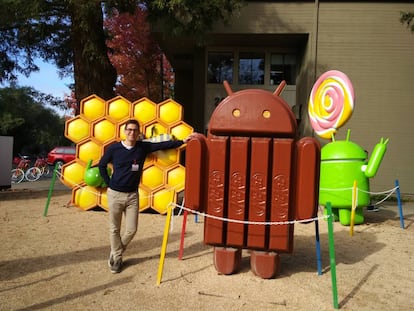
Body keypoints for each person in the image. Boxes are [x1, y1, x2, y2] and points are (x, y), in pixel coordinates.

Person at [98, 119, 195, 273]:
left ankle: (116, 251)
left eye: (135, 130)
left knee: (131, 229)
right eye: (129, 130)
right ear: (124, 131)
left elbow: (162, 145)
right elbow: (102, 165)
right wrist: (109, 183)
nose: (132, 133)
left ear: (138, 133)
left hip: (132, 196)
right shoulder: (114, 148)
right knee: (114, 229)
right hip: (115, 194)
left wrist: (183, 141)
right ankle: (116, 258)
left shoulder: (142, 147)